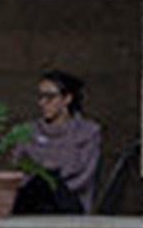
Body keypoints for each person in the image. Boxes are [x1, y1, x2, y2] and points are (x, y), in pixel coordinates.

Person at [12, 69, 103, 216]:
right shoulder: (28, 131)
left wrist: (52, 176)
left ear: (67, 99)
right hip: (31, 198)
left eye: (49, 97)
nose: (42, 103)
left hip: (69, 200)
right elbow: (18, 168)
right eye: (40, 96)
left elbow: (84, 176)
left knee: (48, 180)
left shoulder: (88, 132)